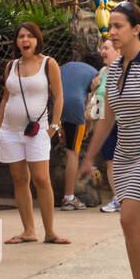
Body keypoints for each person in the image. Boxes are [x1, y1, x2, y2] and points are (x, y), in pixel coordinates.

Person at [80, 2, 140, 279]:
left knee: (130, 218)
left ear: (136, 28)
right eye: (110, 26)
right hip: (123, 153)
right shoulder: (115, 68)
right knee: (130, 223)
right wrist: (90, 157)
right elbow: (107, 117)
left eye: (118, 26)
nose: (111, 32)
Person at [0, 23, 68, 245]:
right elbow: (6, 98)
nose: (24, 40)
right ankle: (28, 230)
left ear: (37, 40)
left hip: (38, 131)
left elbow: (59, 97)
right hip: (10, 131)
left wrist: (53, 128)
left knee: (41, 179)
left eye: (29, 36)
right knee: (19, 179)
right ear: (16, 41)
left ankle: (50, 231)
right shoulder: (11, 66)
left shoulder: (49, 64)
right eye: (20, 36)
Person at [58, 53, 100, 209]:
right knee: (73, 152)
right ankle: (69, 197)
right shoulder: (96, 75)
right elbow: (90, 106)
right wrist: (87, 128)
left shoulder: (67, 66)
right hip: (75, 107)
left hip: (53, 105)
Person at [90, 36, 121, 213]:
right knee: (111, 162)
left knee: (128, 161)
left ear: (118, 51)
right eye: (102, 48)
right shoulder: (102, 72)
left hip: (124, 123)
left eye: (107, 48)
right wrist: (94, 89)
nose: (103, 52)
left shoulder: (127, 70)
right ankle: (117, 198)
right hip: (106, 124)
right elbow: (97, 102)